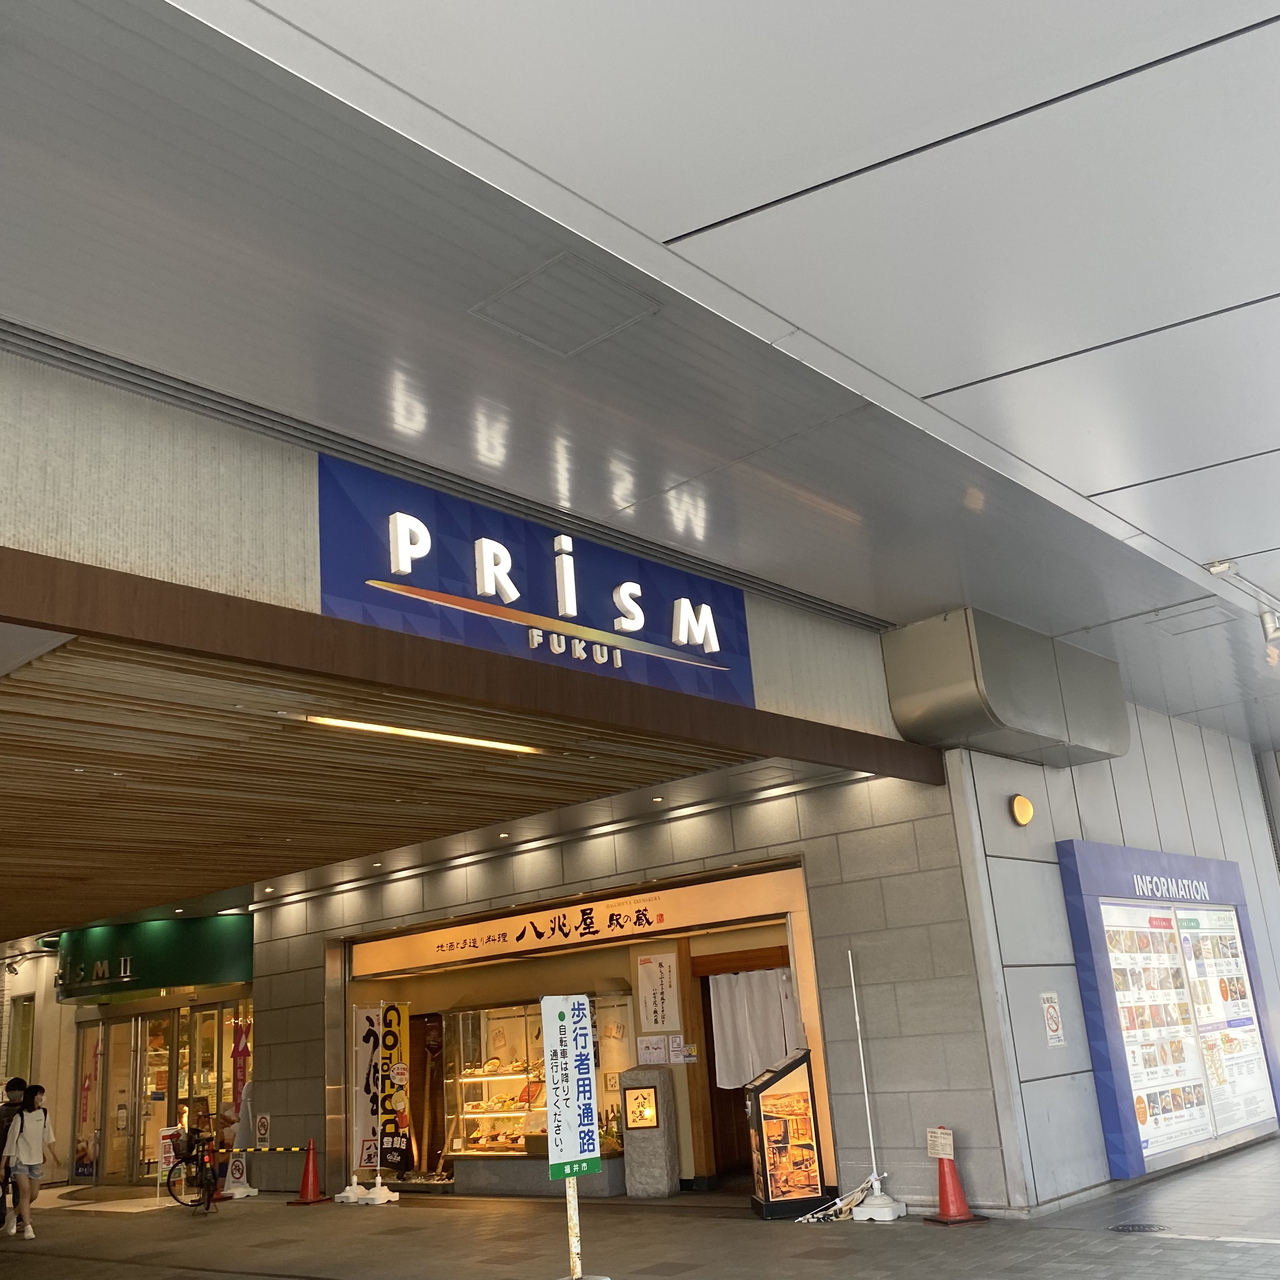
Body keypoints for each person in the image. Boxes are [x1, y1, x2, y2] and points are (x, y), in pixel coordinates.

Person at [2, 1084, 58, 1240]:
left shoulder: (44, 1114)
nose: (42, 1097)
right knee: (25, 1192)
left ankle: (14, 1215)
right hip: (20, 1159)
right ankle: (28, 1227)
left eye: (42, 1094)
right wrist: (2, 1165)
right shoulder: (20, 1116)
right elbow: (11, 1142)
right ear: (32, 1096)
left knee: (33, 1195)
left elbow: (48, 1137)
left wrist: (55, 1156)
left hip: (36, 1160)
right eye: (39, 1094)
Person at [0, 1078, 25, 1235]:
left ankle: (4, 1217)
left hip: (5, 1155)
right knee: (19, 1189)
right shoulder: (26, 1111)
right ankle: (18, 1218)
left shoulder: (2, 1111)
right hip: (17, 1156)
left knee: (3, 1189)